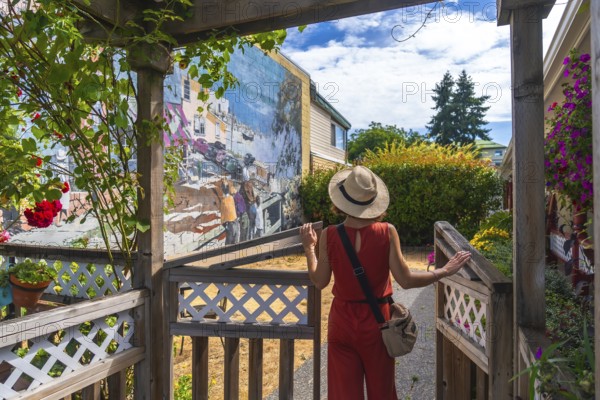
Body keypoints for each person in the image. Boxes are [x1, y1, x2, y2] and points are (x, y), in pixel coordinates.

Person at [300, 165, 471, 400]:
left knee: (343, 394)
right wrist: (443, 271)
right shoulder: (387, 232)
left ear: (342, 201)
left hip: (341, 321)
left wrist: (310, 248)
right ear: (373, 202)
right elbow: (406, 280)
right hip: (378, 321)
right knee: (382, 392)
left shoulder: (329, 235)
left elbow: (319, 281)